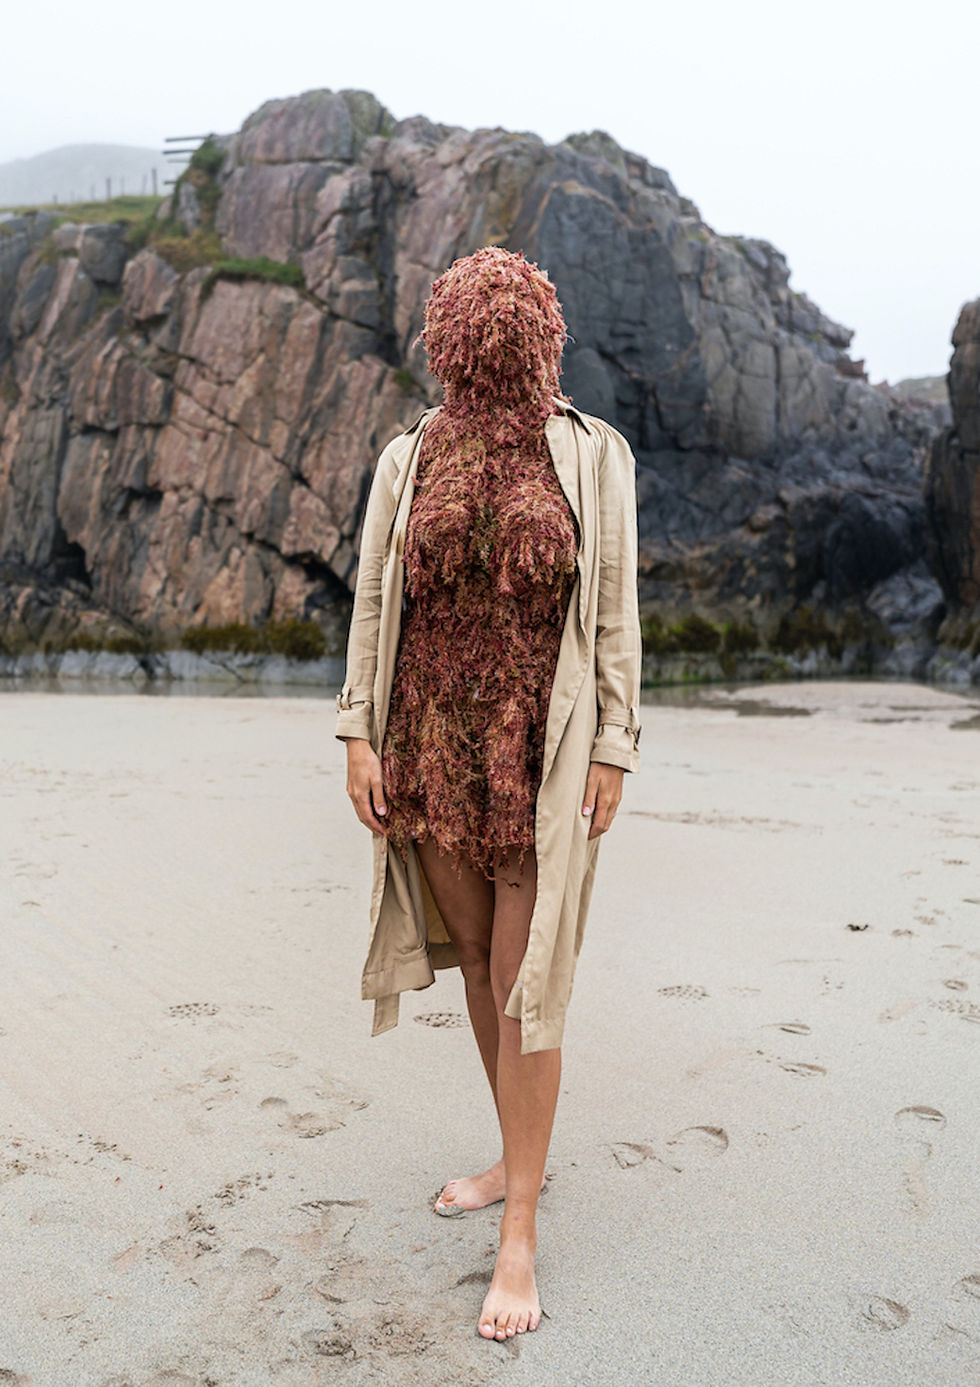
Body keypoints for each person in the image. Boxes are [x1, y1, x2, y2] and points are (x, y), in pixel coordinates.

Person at [335, 246, 642, 1341]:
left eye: (509, 319)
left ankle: (518, 1231)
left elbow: (611, 611)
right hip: (428, 743)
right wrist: (357, 736)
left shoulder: (592, 453)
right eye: (476, 318)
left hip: (537, 750)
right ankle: (516, 1155)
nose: (493, 333)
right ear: (447, 336)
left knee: (527, 981)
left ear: (540, 334)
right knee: (476, 968)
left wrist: (613, 743)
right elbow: (375, 602)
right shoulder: (408, 453)